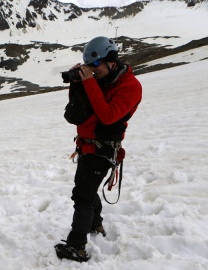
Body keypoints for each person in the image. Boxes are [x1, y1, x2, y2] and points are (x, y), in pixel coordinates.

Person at [55, 36, 142, 262]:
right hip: (86, 146)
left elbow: (108, 115)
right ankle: (95, 224)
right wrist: (77, 84)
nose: (93, 71)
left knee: (82, 196)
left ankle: (77, 247)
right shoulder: (102, 81)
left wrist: (89, 83)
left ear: (111, 61)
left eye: (96, 65)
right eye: (89, 66)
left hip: (103, 150)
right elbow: (77, 114)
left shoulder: (130, 86)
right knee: (86, 190)